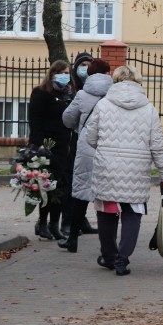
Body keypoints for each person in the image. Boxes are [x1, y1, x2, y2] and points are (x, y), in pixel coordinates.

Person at [83, 65, 163, 276]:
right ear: (138, 82)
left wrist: (106, 149)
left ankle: (109, 256)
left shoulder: (103, 104)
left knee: (107, 213)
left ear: (115, 80)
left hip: (107, 167)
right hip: (136, 169)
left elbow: (90, 137)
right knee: (133, 214)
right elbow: (157, 144)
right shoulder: (148, 108)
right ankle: (122, 260)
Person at [59, 58, 113, 252]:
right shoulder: (115, 94)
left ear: (89, 73)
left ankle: (72, 239)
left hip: (86, 148)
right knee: (108, 196)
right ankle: (109, 245)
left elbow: (67, 119)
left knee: (80, 194)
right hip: (109, 148)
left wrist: (80, 126)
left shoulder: (82, 94)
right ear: (108, 73)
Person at [28, 59, 73, 241]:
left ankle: (55, 223)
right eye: (61, 72)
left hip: (64, 147)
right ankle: (42, 222)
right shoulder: (41, 93)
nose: (65, 76)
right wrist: (38, 144)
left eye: (67, 72)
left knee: (61, 187)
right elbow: (34, 120)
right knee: (46, 186)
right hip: (46, 146)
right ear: (53, 73)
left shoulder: (68, 94)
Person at [59, 51, 100, 239]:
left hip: (87, 140)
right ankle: (67, 221)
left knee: (85, 182)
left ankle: (80, 220)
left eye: (88, 65)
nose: (85, 69)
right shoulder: (71, 88)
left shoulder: (95, 88)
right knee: (71, 182)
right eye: (82, 65)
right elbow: (67, 118)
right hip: (71, 141)